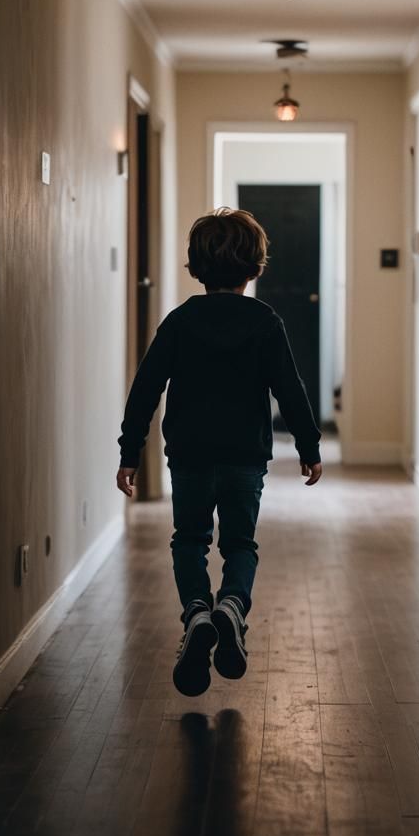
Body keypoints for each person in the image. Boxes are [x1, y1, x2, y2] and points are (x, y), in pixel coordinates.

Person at [116, 207, 323, 697]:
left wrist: (129, 451)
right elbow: (289, 390)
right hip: (244, 457)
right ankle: (231, 605)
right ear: (256, 268)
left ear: (195, 267)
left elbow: (145, 389)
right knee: (239, 545)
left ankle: (197, 614)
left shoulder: (180, 322)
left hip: (188, 455)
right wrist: (309, 445)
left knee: (189, 540)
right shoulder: (265, 322)